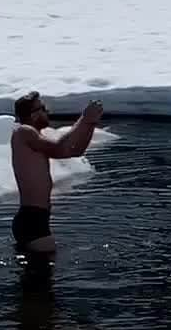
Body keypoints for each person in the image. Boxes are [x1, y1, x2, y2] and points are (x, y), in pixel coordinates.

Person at [10, 92, 104, 255]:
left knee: (37, 275)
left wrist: (90, 123)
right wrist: (85, 118)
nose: (48, 112)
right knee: (43, 276)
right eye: (44, 108)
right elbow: (61, 148)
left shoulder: (31, 135)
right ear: (33, 114)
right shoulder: (24, 132)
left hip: (36, 217)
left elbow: (75, 151)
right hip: (32, 218)